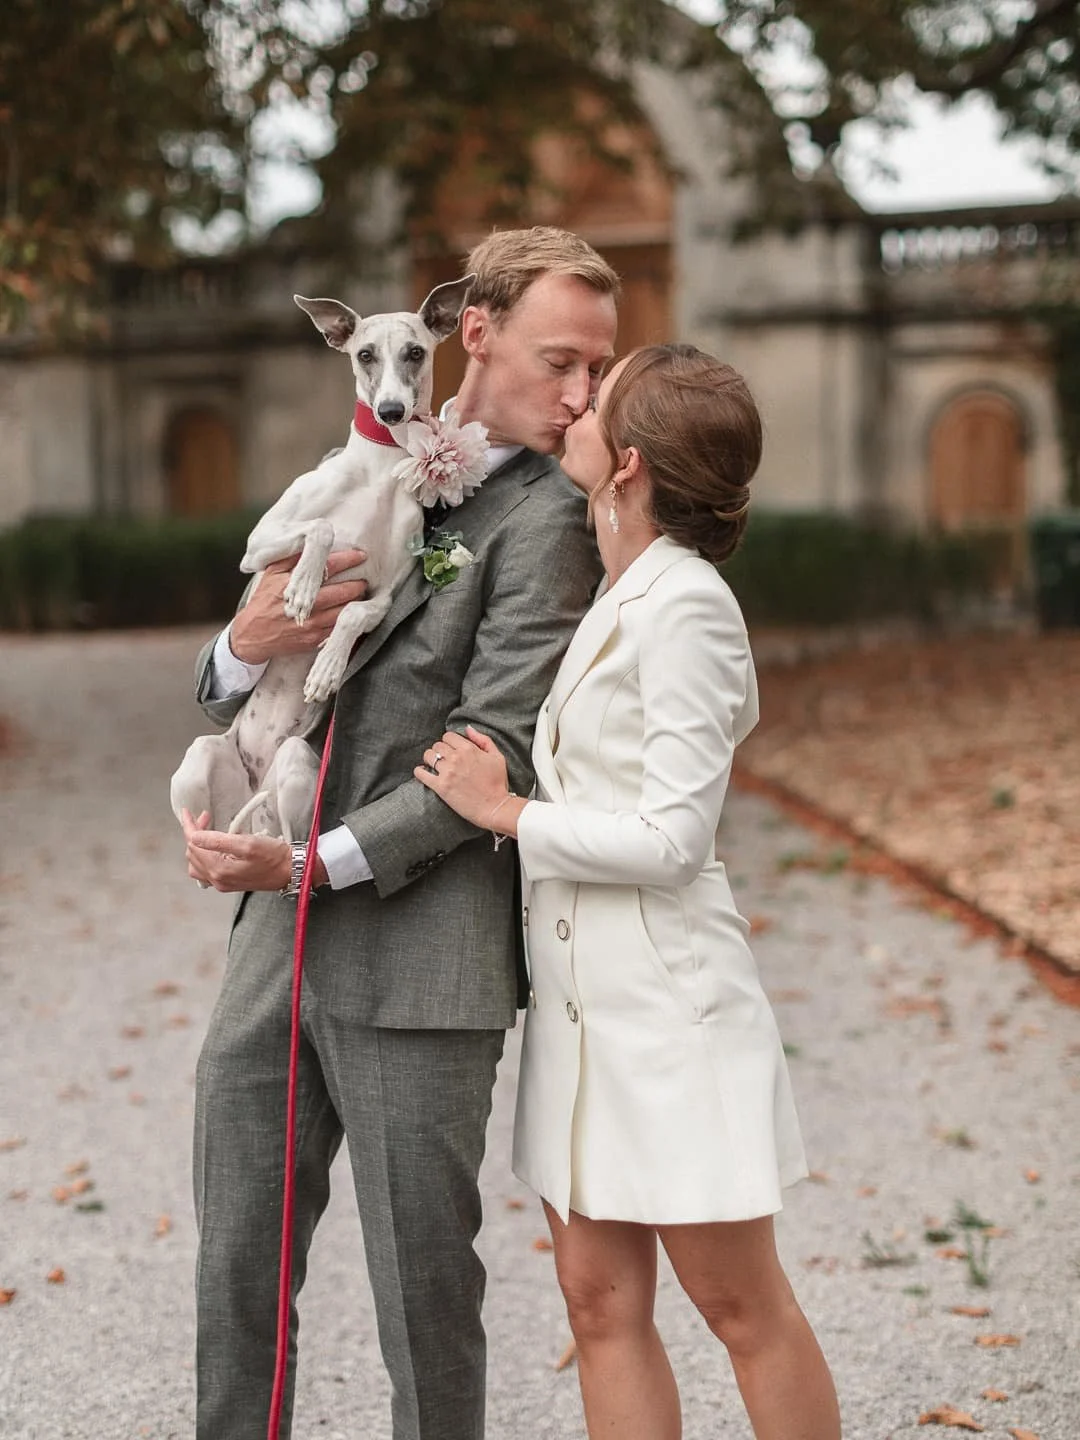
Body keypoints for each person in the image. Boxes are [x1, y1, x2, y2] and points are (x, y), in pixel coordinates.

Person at [179, 226, 618, 1440]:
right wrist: (239, 647)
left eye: (599, 368)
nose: (582, 394)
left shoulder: (547, 523)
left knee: (424, 1298)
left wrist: (305, 862)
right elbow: (236, 677)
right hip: (271, 945)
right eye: (560, 360)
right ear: (473, 334)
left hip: (424, 964)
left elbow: (497, 750)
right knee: (233, 1276)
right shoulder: (358, 465)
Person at [415, 343, 842, 1440]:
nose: (573, 405)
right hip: (578, 1008)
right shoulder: (616, 588)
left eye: (594, 402)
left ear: (629, 461)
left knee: (742, 1308)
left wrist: (504, 811)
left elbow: (673, 837)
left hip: (667, 1015)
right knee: (597, 1303)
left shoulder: (687, 607)